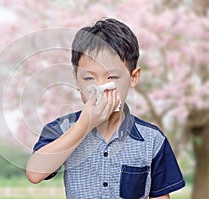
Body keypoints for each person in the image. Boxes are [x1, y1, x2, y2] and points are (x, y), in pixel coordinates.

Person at [26, 18, 185, 199]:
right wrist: (84, 124)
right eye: (89, 79)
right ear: (76, 80)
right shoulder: (62, 129)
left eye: (112, 77)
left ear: (133, 77)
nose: (101, 88)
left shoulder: (152, 139)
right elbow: (35, 173)